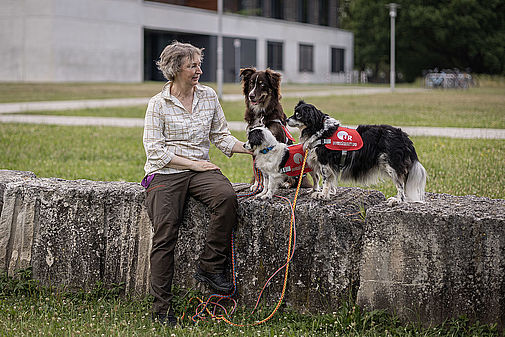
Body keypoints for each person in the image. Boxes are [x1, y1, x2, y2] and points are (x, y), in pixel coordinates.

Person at [142, 41, 252, 325]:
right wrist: (193, 164)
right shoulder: (157, 104)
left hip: (200, 170)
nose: (199, 70)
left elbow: (221, 136)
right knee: (166, 233)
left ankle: (210, 265)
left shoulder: (208, 96)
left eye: (198, 65)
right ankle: (162, 309)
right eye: (193, 65)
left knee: (226, 197)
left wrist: (252, 147)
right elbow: (155, 151)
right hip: (165, 172)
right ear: (176, 68)